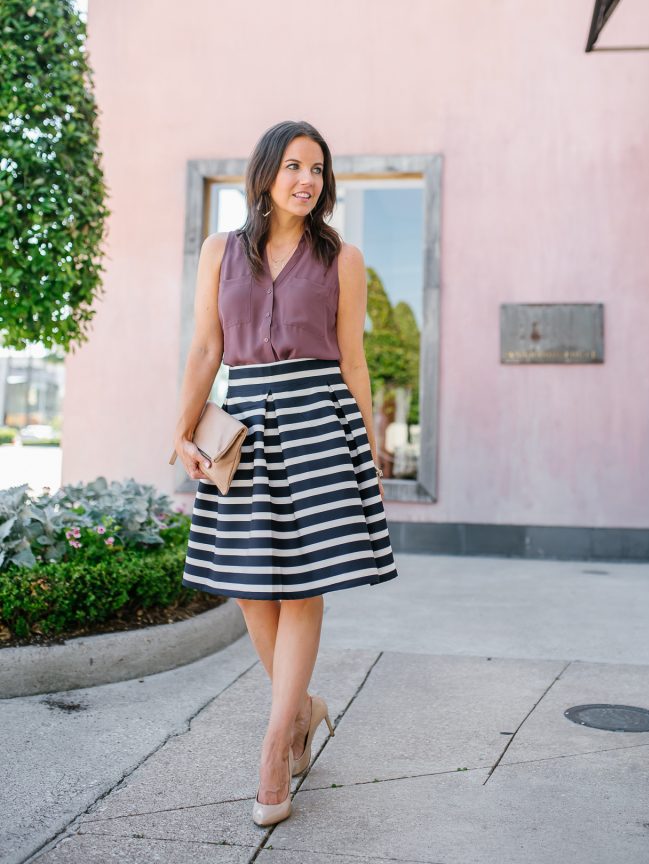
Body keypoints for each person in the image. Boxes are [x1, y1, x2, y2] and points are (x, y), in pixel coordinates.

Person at [172, 119, 399, 826]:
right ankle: (305, 710)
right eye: (296, 166)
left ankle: (276, 747)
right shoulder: (220, 252)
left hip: (319, 423)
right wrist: (180, 430)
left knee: (301, 587)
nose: (308, 180)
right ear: (268, 173)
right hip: (245, 426)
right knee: (248, 588)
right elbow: (207, 347)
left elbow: (354, 363)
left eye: (319, 170)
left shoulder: (344, 259)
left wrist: (369, 448)